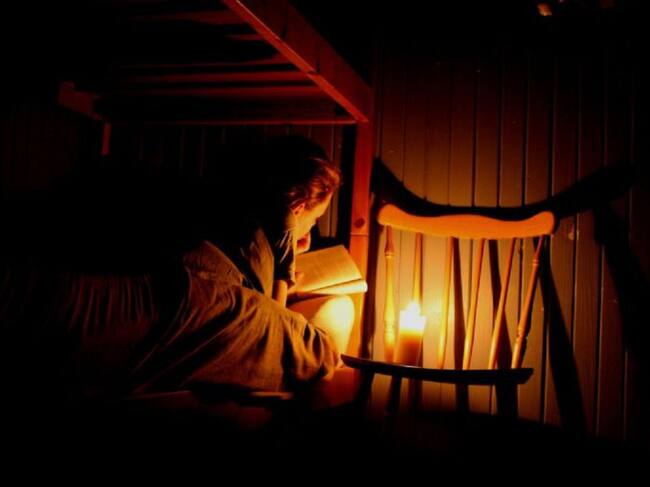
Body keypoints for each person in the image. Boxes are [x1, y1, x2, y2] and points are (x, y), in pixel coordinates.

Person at [0, 135, 354, 403]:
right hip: (184, 292)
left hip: (136, 260)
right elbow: (294, 338)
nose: (308, 232)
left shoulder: (216, 204)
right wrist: (283, 266)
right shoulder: (234, 287)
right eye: (313, 220)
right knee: (324, 340)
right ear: (297, 206)